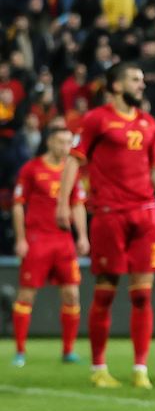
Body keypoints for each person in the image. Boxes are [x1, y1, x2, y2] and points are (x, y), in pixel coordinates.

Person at [56, 64, 155, 389]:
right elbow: (74, 161)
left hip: (145, 216)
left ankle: (140, 369)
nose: (141, 85)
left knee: (143, 296)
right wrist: (63, 204)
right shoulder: (96, 120)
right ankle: (99, 368)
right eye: (135, 80)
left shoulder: (148, 123)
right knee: (105, 294)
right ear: (116, 86)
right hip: (110, 215)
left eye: (142, 80)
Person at [11, 127, 88, 366]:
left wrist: (82, 236)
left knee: (72, 294)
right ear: (50, 142)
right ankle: (20, 351)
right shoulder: (31, 168)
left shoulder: (71, 171)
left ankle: (68, 350)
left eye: (69, 142)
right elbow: (18, 204)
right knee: (27, 294)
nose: (66, 147)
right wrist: (21, 238)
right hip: (37, 239)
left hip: (63, 241)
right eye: (61, 142)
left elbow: (78, 205)